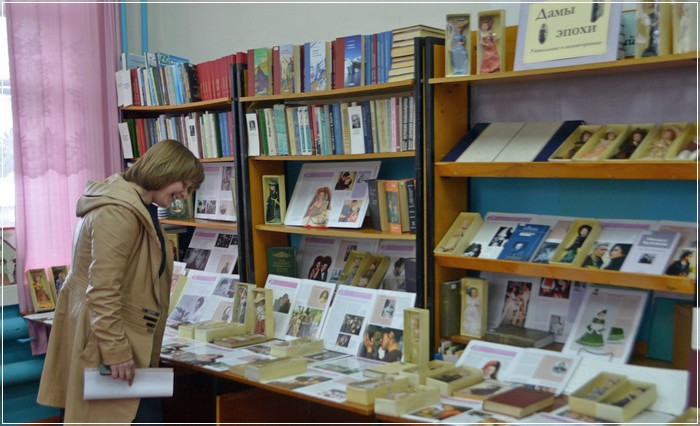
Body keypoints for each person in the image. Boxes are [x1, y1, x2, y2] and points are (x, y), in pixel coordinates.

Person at [37, 139, 204, 423]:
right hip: (110, 343)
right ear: (165, 171)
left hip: (122, 336)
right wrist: (115, 351)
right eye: (184, 185)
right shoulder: (119, 212)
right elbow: (102, 290)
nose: (184, 195)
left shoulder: (136, 204)